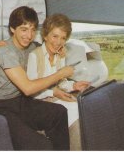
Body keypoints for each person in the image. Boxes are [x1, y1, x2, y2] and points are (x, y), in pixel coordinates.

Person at [0, 6, 74, 150]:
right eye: (24, 29)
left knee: (59, 112)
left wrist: (59, 49)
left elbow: (47, 46)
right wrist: (61, 74)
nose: (29, 35)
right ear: (12, 29)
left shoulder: (30, 47)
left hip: (18, 101)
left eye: (33, 30)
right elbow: (28, 89)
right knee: (37, 144)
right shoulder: (5, 52)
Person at [27, 14, 91, 150]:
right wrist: (53, 93)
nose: (58, 42)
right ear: (45, 36)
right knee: (75, 115)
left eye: (63, 38)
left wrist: (74, 85)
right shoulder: (34, 56)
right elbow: (31, 92)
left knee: (84, 110)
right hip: (38, 102)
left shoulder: (59, 56)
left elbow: (61, 83)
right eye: (55, 36)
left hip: (55, 99)